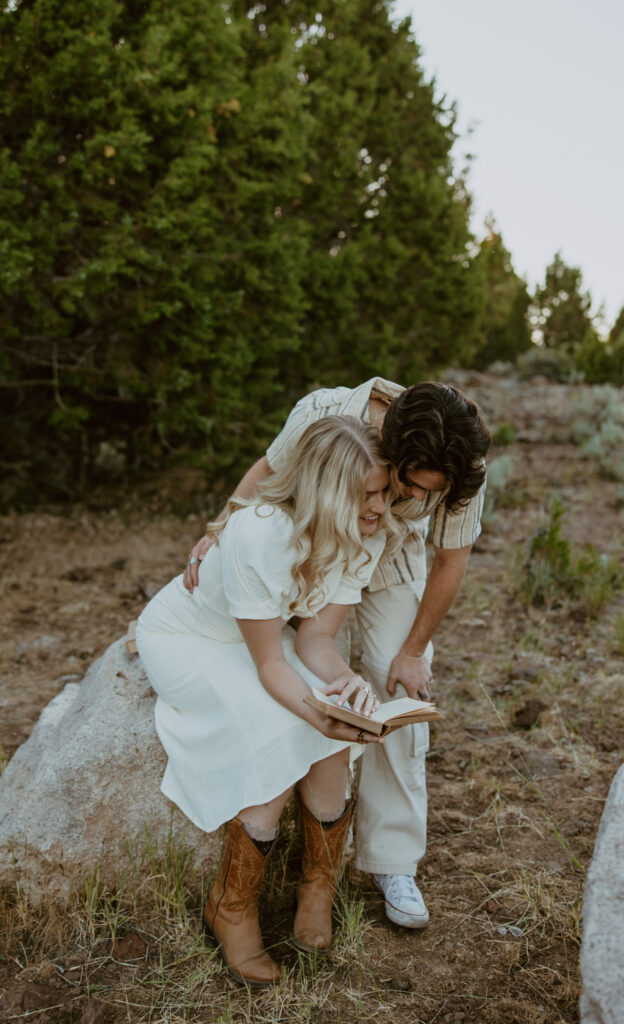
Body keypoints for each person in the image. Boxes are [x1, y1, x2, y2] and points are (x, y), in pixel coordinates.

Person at [184, 379, 491, 929]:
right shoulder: (326, 411)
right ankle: (275, 871)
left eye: (433, 493)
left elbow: (450, 560)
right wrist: (222, 527)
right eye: (414, 485)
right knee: (300, 670)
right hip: (318, 548)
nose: (421, 500)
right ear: (391, 451)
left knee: (395, 690)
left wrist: (414, 651)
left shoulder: (461, 460)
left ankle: (391, 862)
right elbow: (268, 470)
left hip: (391, 561)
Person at [136, 415, 400, 987]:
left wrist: (345, 685)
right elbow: (271, 665)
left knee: (330, 729)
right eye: (365, 496)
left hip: (263, 640)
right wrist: (315, 711)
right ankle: (230, 906)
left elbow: (314, 639)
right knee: (286, 729)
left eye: (383, 491)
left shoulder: (366, 532)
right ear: (326, 494)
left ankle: (317, 887)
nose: (379, 508)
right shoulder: (259, 532)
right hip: (192, 640)